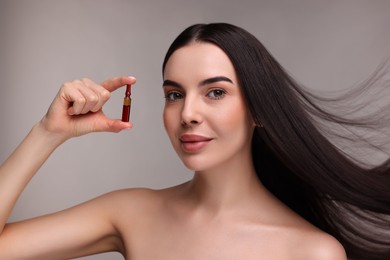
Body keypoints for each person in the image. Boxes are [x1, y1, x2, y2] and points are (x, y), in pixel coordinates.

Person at [0, 23, 389, 259]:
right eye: (174, 94)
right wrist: (47, 133)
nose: (188, 113)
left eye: (215, 92)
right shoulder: (131, 212)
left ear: (259, 110)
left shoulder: (311, 253)